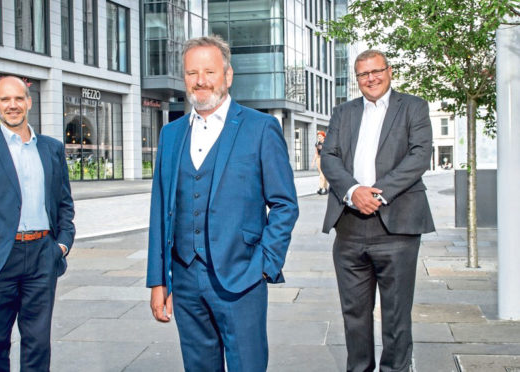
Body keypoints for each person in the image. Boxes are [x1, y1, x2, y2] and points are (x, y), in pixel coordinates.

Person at [146, 35, 299, 371]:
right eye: (191, 73)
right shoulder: (170, 134)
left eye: (209, 72)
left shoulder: (260, 128)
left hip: (243, 277)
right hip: (185, 281)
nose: (200, 81)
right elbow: (160, 213)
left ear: (228, 76)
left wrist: (264, 264)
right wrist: (158, 281)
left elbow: (285, 204)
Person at [320, 50, 434, 372]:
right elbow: (329, 157)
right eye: (362, 74)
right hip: (350, 228)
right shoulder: (343, 112)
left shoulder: (413, 107)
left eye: (376, 71)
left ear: (389, 71)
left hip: (397, 226)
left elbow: (419, 156)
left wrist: (378, 194)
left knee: (396, 315)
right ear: (356, 79)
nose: (370, 78)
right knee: (354, 313)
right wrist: (354, 191)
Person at [0, 76, 75, 371]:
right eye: (5, 100)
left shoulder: (52, 149)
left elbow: (64, 202)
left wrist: (62, 245)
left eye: (18, 98)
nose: (13, 105)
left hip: (42, 257)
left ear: (28, 102)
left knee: (38, 345)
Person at [312, 130, 329, 195]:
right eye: (318, 136)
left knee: (322, 174)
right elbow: (316, 153)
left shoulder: (326, 143)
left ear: (323, 136)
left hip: (325, 159)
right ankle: (326, 189)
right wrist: (313, 161)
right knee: (322, 175)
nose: (319, 137)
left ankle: (321, 188)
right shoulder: (317, 143)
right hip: (318, 159)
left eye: (320, 136)